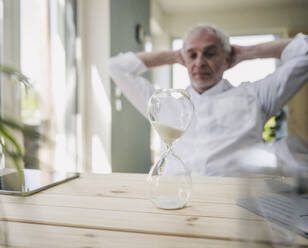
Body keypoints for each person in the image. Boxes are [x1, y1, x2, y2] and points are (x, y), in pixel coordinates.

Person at [108, 24, 308, 176]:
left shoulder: (257, 95)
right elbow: (116, 67)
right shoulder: (164, 103)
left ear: (227, 58)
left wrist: (247, 53)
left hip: (237, 207)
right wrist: (174, 56)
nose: (200, 62)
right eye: (192, 55)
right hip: (176, 202)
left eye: (210, 53)